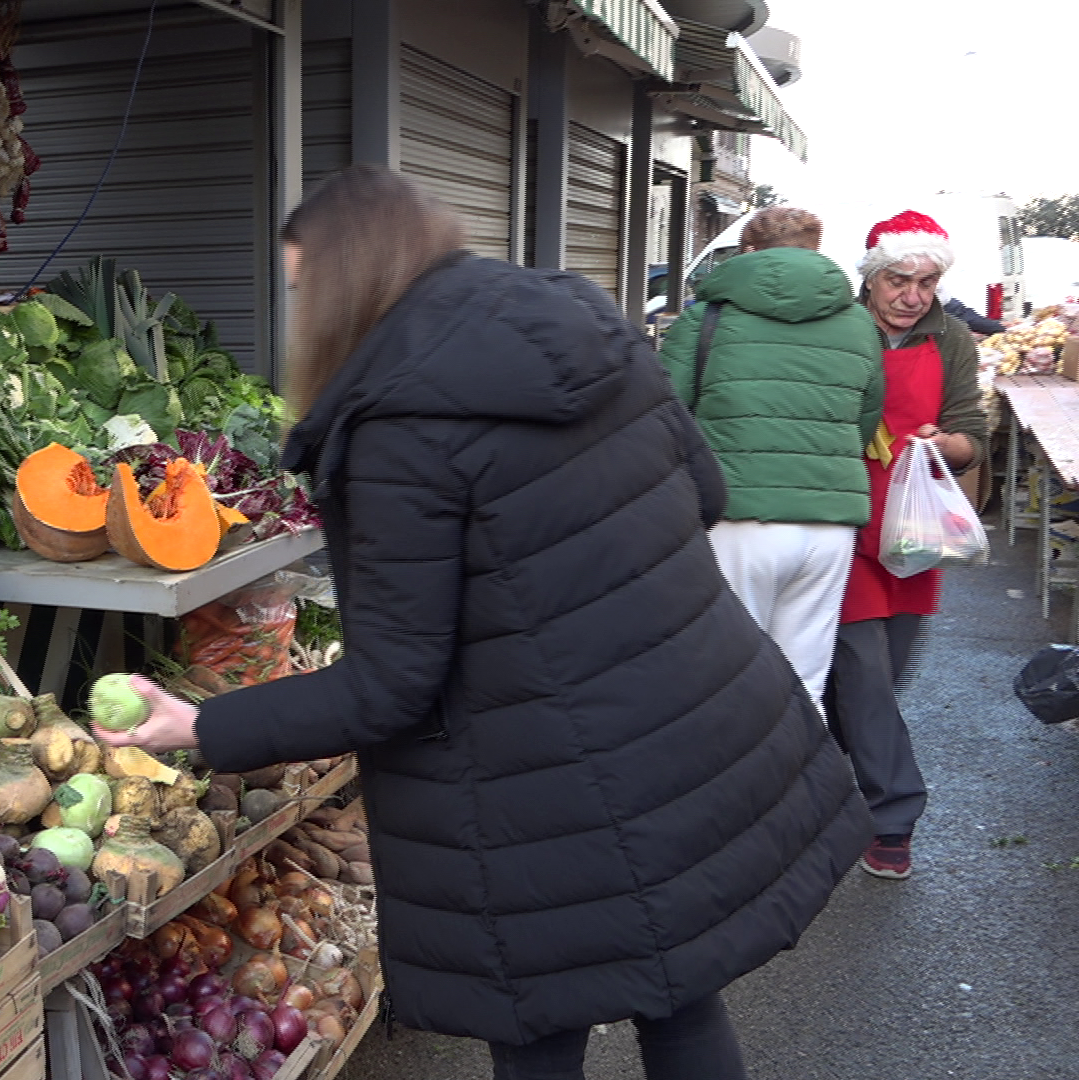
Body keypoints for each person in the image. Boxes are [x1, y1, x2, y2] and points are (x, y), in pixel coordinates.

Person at [95, 165, 871, 1080]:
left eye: (303, 287)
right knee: (681, 996)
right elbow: (703, 491)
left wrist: (202, 724)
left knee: (540, 1028)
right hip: (692, 726)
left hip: (535, 792)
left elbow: (391, 686)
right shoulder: (583, 321)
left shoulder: (393, 426)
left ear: (346, 284)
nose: (299, 310)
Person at [658, 206, 884, 705]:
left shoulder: (706, 318)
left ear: (750, 251)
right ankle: (806, 780)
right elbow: (864, 421)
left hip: (737, 518)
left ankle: (729, 781)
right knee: (805, 680)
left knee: (725, 673)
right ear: (815, 252)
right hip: (829, 523)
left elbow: (665, 416)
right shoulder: (857, 323)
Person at [826, 210, 990, 880]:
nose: (913, 295)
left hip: (916, 529)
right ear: (872, 277)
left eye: (926, 281)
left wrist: (945, 443)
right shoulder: (837, 330)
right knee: (865, 673)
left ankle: (814, 776)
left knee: (883, 676)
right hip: (843, 516)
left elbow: (971, 431)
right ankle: (893, 815)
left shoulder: (951, 338)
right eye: (900, 278)